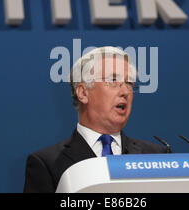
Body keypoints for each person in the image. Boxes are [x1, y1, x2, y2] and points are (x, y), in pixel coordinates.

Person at [23, 46, 167, 193]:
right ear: (83, 92)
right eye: (113, 80)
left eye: (129, 83)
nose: (125, 92)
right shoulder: (47, 164)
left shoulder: (157, 157)